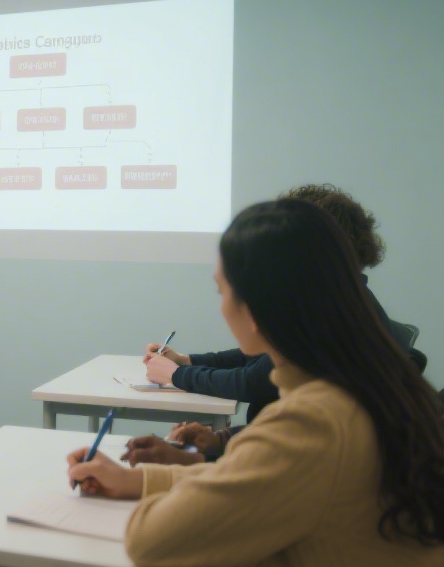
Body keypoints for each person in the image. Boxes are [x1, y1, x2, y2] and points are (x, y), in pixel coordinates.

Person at [66, 199, 444, 567]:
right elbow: (258, 484)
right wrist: (135, 480)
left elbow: (152, 541)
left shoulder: (312, 422)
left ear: (256, 309)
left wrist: (153, 491)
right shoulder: (366, 381)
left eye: (221, 292)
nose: (222, 308)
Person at [139, 184, 424, 463]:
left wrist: (179, 376)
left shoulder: (325, 322)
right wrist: (221, 436)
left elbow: (257, 388)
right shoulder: (346, 306)